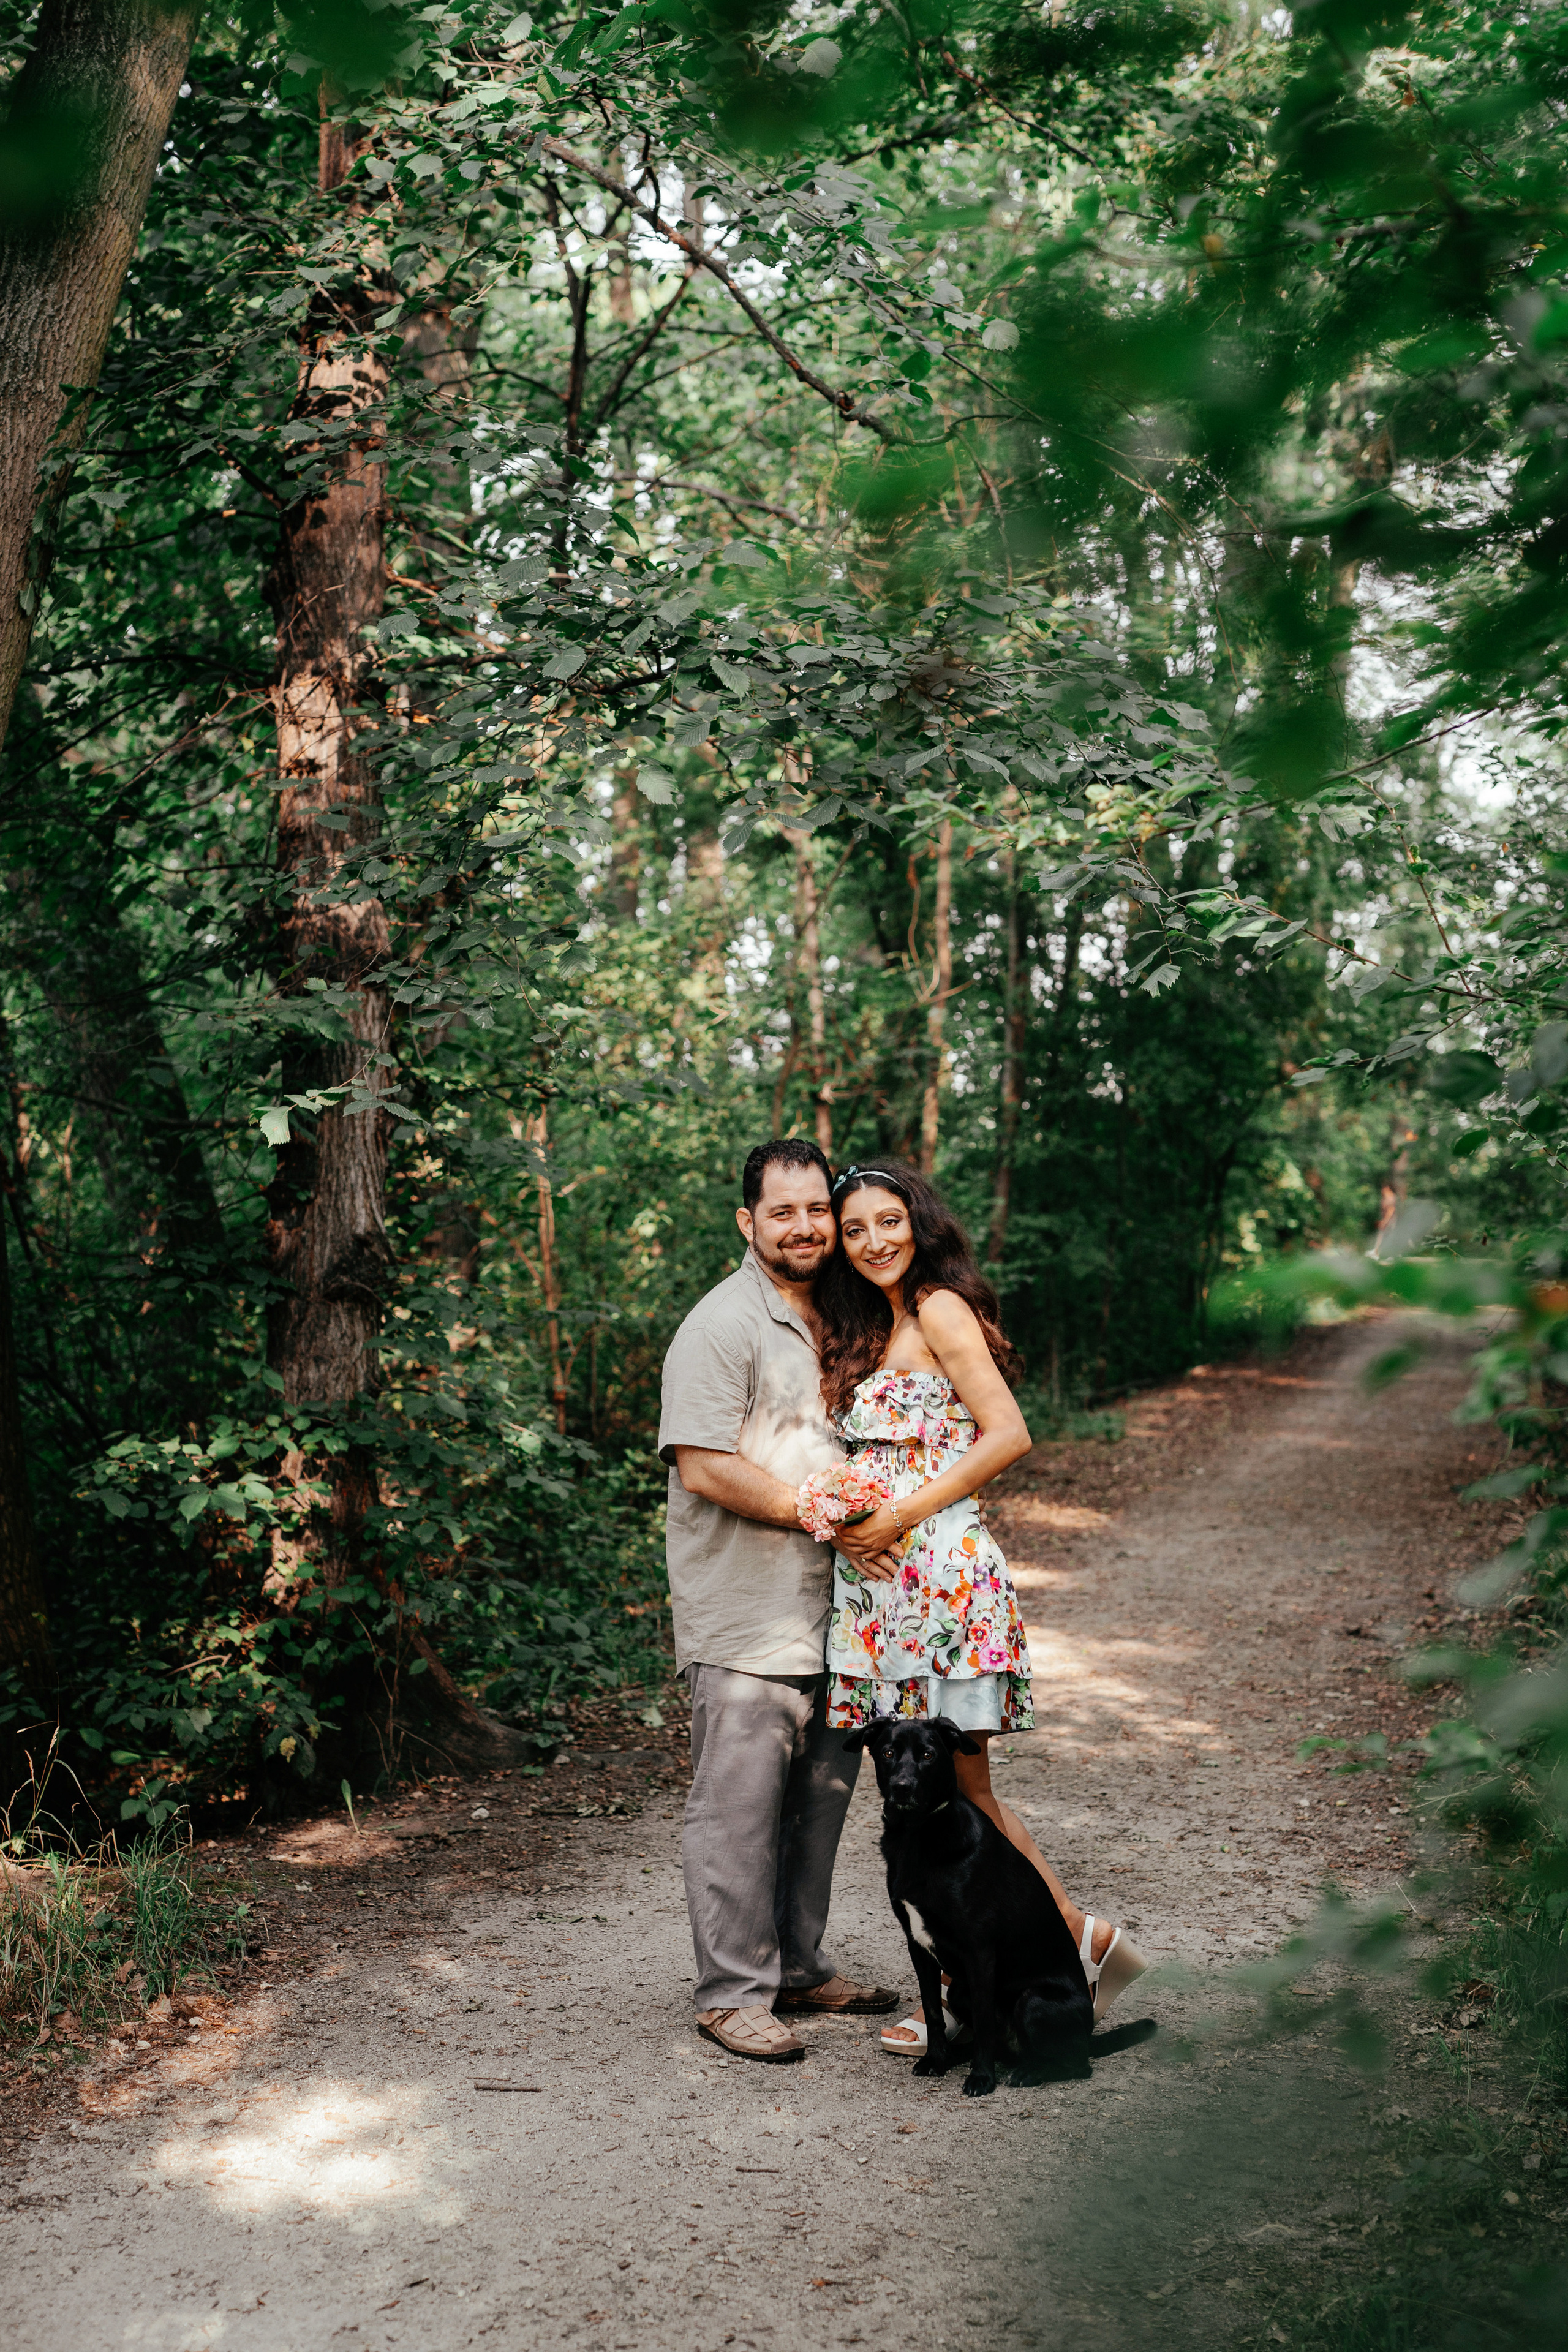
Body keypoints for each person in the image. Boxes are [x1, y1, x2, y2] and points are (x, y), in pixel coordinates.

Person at [814, 1159, 1148, 2041]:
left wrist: (896, 1518)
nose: (874, 1241)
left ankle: (1022, 1968)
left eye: (890, 1221)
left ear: (919, 1224)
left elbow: (1010, 1433)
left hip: (941, 1577)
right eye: (856, 1230)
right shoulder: (871, 1326)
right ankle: (1076, 1947)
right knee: (945, 1800)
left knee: (966, 1798)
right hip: (889, 1594)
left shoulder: (937, 1309)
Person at [657, 1138, 902, 2064]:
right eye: (783, 1212)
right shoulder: (721, 1325)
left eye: (815, 1211)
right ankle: (730, 1992)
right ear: (747, 1221)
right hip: (747, 1612)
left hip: (842, 1612)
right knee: (739, 1811)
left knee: (820, 1803)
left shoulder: (847, 1315)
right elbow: (704, 1463)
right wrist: (816, 1510)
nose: (804, 1228)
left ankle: (797, 1966)